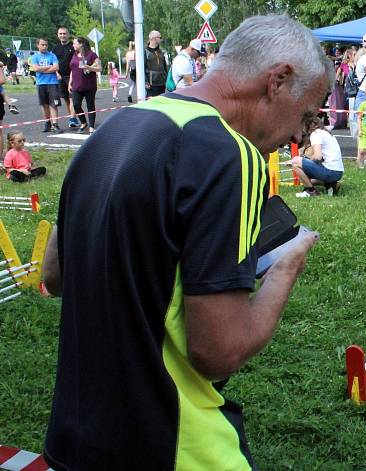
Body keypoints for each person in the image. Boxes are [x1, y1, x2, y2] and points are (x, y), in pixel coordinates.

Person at [39, 14, 332, 470]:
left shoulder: (113, 129)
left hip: (78, 438)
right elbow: (219, 352)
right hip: (173, 443)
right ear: (278, 80)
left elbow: (54, 277)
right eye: (306, 114)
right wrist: (287, 265)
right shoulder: (227, 152)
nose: (300, 135)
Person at [293, 116, 344, 197]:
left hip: (331, 171)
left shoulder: (315, 134)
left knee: (295, 161)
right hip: (338, 172)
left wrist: (306, 160)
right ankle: (332, 185)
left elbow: (318, 157)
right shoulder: (325, 133)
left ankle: (310, 191)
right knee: (309, 180)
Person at [28, 38, 63, 134]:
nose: (44, 47)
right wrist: (49, 67)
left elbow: (56, 67)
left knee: (53, 104)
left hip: (53, 83)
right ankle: (47, 122)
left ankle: (55, 124)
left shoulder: (52, 55)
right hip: (41, 83)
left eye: (46, 45)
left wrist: (42, 69)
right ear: (38, 45)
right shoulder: (34, 57)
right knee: (44, 105)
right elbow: (35, 68)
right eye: (42, 45)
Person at [68, 37, 100, 134]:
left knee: (90, 105)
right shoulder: (74, 55)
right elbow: (72, 70)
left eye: (75, 43)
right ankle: (83, 122)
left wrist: (89, 67)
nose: (73, 45)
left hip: (89, 86)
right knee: (76, 104)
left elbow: (99, 68)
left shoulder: (92, 55)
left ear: (81, 44)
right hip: (76, 85)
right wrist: (70, 82)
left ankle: (91, 126)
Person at [52, 27, 79, 128]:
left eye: (64, 33)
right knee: (66, 99)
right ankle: (73, 117)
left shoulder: (73, 46)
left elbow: (77, 61)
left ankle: (72, 118)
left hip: (72, 76)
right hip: (60, 77)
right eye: (60, 34)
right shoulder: (55, 48)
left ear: (68, 34)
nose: (62, 35)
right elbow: (53, 62)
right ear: (58, 35)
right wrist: (56, 73)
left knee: (73, 98)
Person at [144, 30, 169, 97]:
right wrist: (145, 81)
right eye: (159, 37)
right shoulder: (145, 51)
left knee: (161, 102)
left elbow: (164, 67)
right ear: (154, 38)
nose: (161, 39)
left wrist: (166, 78)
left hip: (162, 82)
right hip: (151, 83)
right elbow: (142, 68)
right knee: (152, 103)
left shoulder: (160, 51)